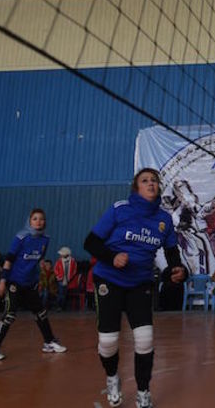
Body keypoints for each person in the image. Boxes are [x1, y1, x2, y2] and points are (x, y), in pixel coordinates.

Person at [84, 168, 187, 408]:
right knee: (108, 342)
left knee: (144, 339)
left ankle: (143, 391)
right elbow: (90, 242)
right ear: (136, 187)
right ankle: (112, 378)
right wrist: (112, 257)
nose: (151, 183)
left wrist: (179, 269)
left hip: (140, 283)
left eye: (154, 180)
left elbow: (172, 253)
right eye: (145, 180)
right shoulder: (120, 209)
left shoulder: (163, 220)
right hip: (109, 279)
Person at [0, 208, 67, 361]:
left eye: (42, 219)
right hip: (14, 283)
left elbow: (39, 258)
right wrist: (2, 282)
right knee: (10, 314)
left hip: (30, 284)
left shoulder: (45, 239)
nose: (39, 222)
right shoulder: (21, 237)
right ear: (29, 221)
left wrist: (42, 268)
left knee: (41, 313)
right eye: (35, 219)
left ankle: (49, 342)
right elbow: (8, 260)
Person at [54, 247, 79, 311]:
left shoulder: (72, 261)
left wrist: (70, 277)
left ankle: (62, 306)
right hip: (61, 280)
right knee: (61, 293)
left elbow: (74, 270)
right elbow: (56, 269)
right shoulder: (59, 261)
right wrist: (59, 276)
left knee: (64, 294)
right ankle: (58, 306)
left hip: (68, 280)